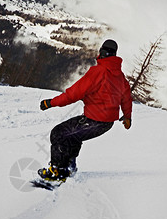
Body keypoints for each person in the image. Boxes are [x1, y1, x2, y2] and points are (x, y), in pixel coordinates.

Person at [38, 39, 132, 182]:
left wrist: (50, 103)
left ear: (103, 53)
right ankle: (69, 166)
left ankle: (57, 171)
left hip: (95, 121)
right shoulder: (120, 76)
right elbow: (126, 98)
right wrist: (127, 117)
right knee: (73, 135)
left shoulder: (98, 72)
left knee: (58, 133)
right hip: (106, 123)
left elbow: (73, 94)